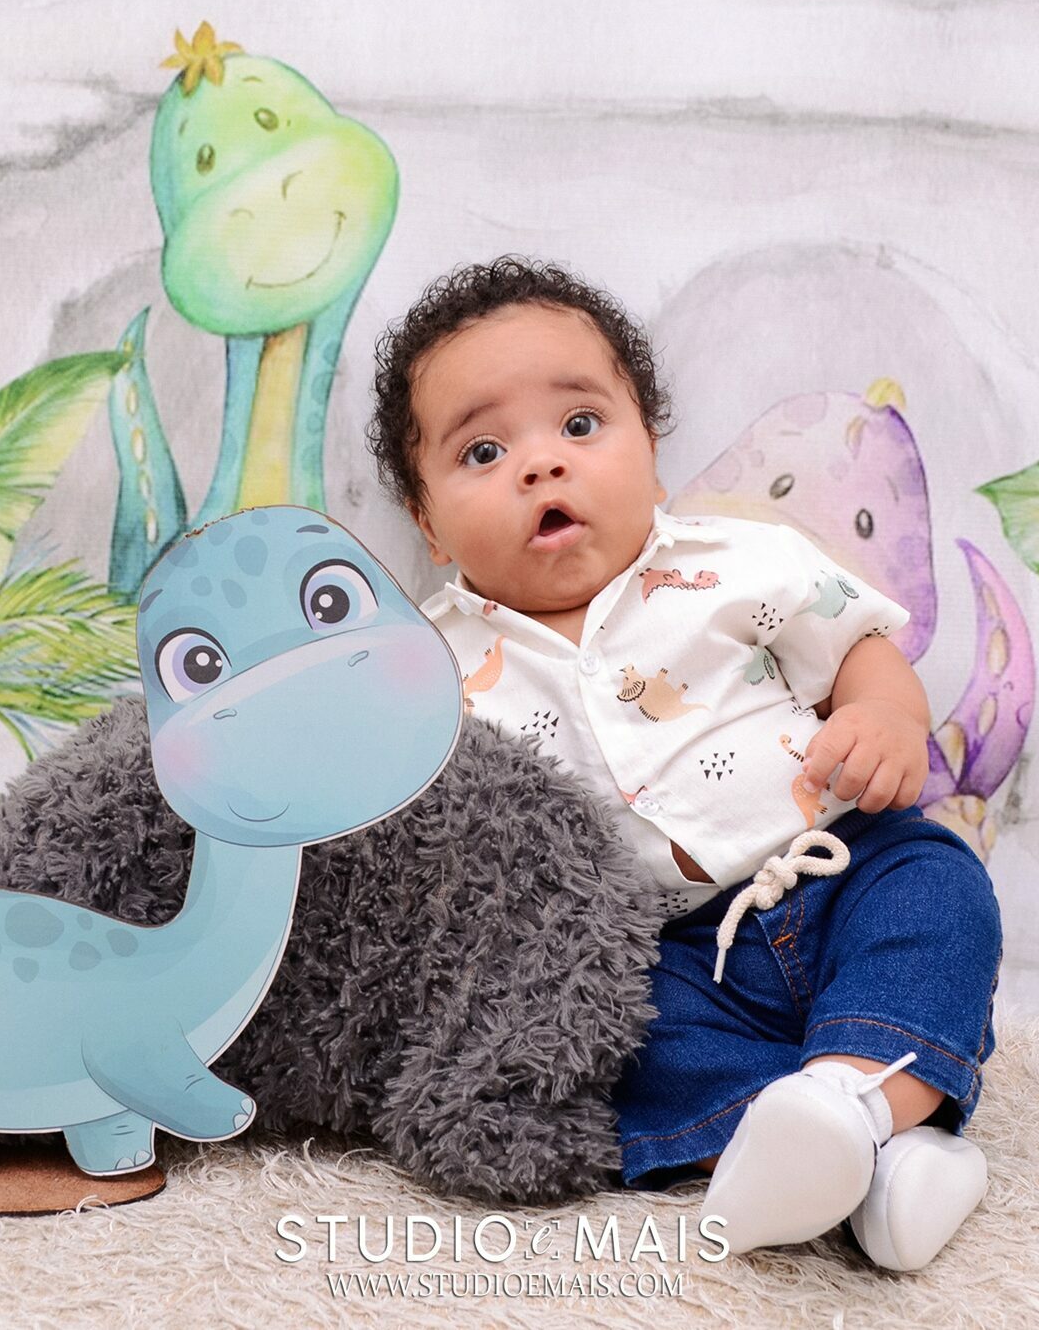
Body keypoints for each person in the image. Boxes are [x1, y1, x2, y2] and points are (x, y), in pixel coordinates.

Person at [363, 255, 1006, 1268]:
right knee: (594, 1048)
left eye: (581, 425)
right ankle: (877, 1160)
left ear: (652, 455)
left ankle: (851, 1102)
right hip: (652, 956)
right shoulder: (425, 669)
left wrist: (883, 713)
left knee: (939, 890)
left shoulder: (737, 562)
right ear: (427, 521)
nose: (542, 465)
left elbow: (860, 647)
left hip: (836, 869)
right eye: (484, 450)